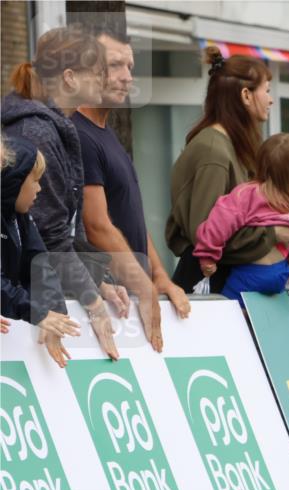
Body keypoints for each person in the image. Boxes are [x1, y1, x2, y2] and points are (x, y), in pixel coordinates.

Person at [2, 25, 121, 360]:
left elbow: (64, 230)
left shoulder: (50, 128)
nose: (105, 80)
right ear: (69, 77)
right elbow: (47, 236)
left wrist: (95, 283)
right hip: (18, 312)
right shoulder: (36, 133)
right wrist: (93, 305)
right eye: (98, 72)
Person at [73, 28, 190, 353]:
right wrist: (143, 285)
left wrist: (159, 277)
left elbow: (130, 218)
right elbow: (96, 226)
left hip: (130, 301)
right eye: (115, 65)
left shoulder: (105, 134)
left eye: (130, 66)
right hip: (111, 306)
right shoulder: (79, 136)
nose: (127, 77)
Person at [165, 47, 289, 294]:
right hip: (208, 284)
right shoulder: (214, 150)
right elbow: (206, 233)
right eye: (266, 90)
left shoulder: (227, 145)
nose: (271, 99)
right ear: (246, 95)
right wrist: (271, 234)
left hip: (225, 279)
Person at [194, 133, 289, 307]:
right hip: (280, 273)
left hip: (251, 273)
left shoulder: (247, 194)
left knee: (228, 310)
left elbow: (219, 225)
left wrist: (207, 256)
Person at [2, 135, 80, 366]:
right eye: (35, 180)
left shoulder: (20, 216)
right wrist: (38, 313)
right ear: (14, 181)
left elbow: (40, 265)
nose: (39, 188)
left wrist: (55, 315)